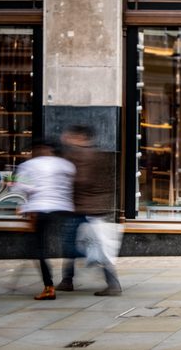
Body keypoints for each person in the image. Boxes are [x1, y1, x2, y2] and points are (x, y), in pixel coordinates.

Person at [56, 125, 122, 296]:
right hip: (94, 206)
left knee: (76, 246)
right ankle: (67, 280)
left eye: (71, 135)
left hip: (82, 207)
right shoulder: (99, 154)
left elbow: (82, 180)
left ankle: (110, 283)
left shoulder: (79, 155)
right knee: (87, 245)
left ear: (81, 137)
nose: (67, 138)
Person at [12, 139, 76, 300]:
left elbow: (20, 187)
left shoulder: (29, 166)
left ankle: (49, 287)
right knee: (68, 243)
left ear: (38, 149)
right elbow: (71, 183)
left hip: (40, 209)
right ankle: (68, 277)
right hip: (63, 208)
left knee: (39, 248)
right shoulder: (65, 165)